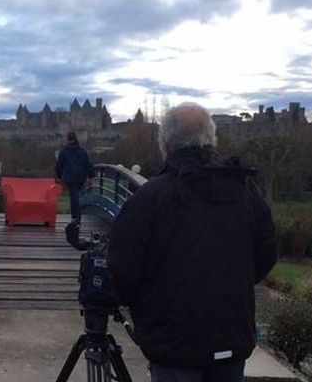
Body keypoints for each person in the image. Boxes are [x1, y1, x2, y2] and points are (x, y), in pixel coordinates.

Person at [108, 103, 276, 381]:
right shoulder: (246, 190)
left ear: (166, 145)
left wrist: (145, 306)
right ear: (212, 140)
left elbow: (122, 267)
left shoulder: (150, 197)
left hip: (173, 343)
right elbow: (266, 254)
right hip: (231, 336)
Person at [55, 131, 94, 222]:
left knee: (74, 196)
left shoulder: (64, 152)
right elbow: (88, 164)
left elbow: (59, 166)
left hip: (70, 177)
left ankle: (75, 217)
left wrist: (59, 176)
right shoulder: (83, 151)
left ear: (68, 139)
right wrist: (91, 176)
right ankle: (77, 216)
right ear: (76, 138)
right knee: (76, 195)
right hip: (81, 177)